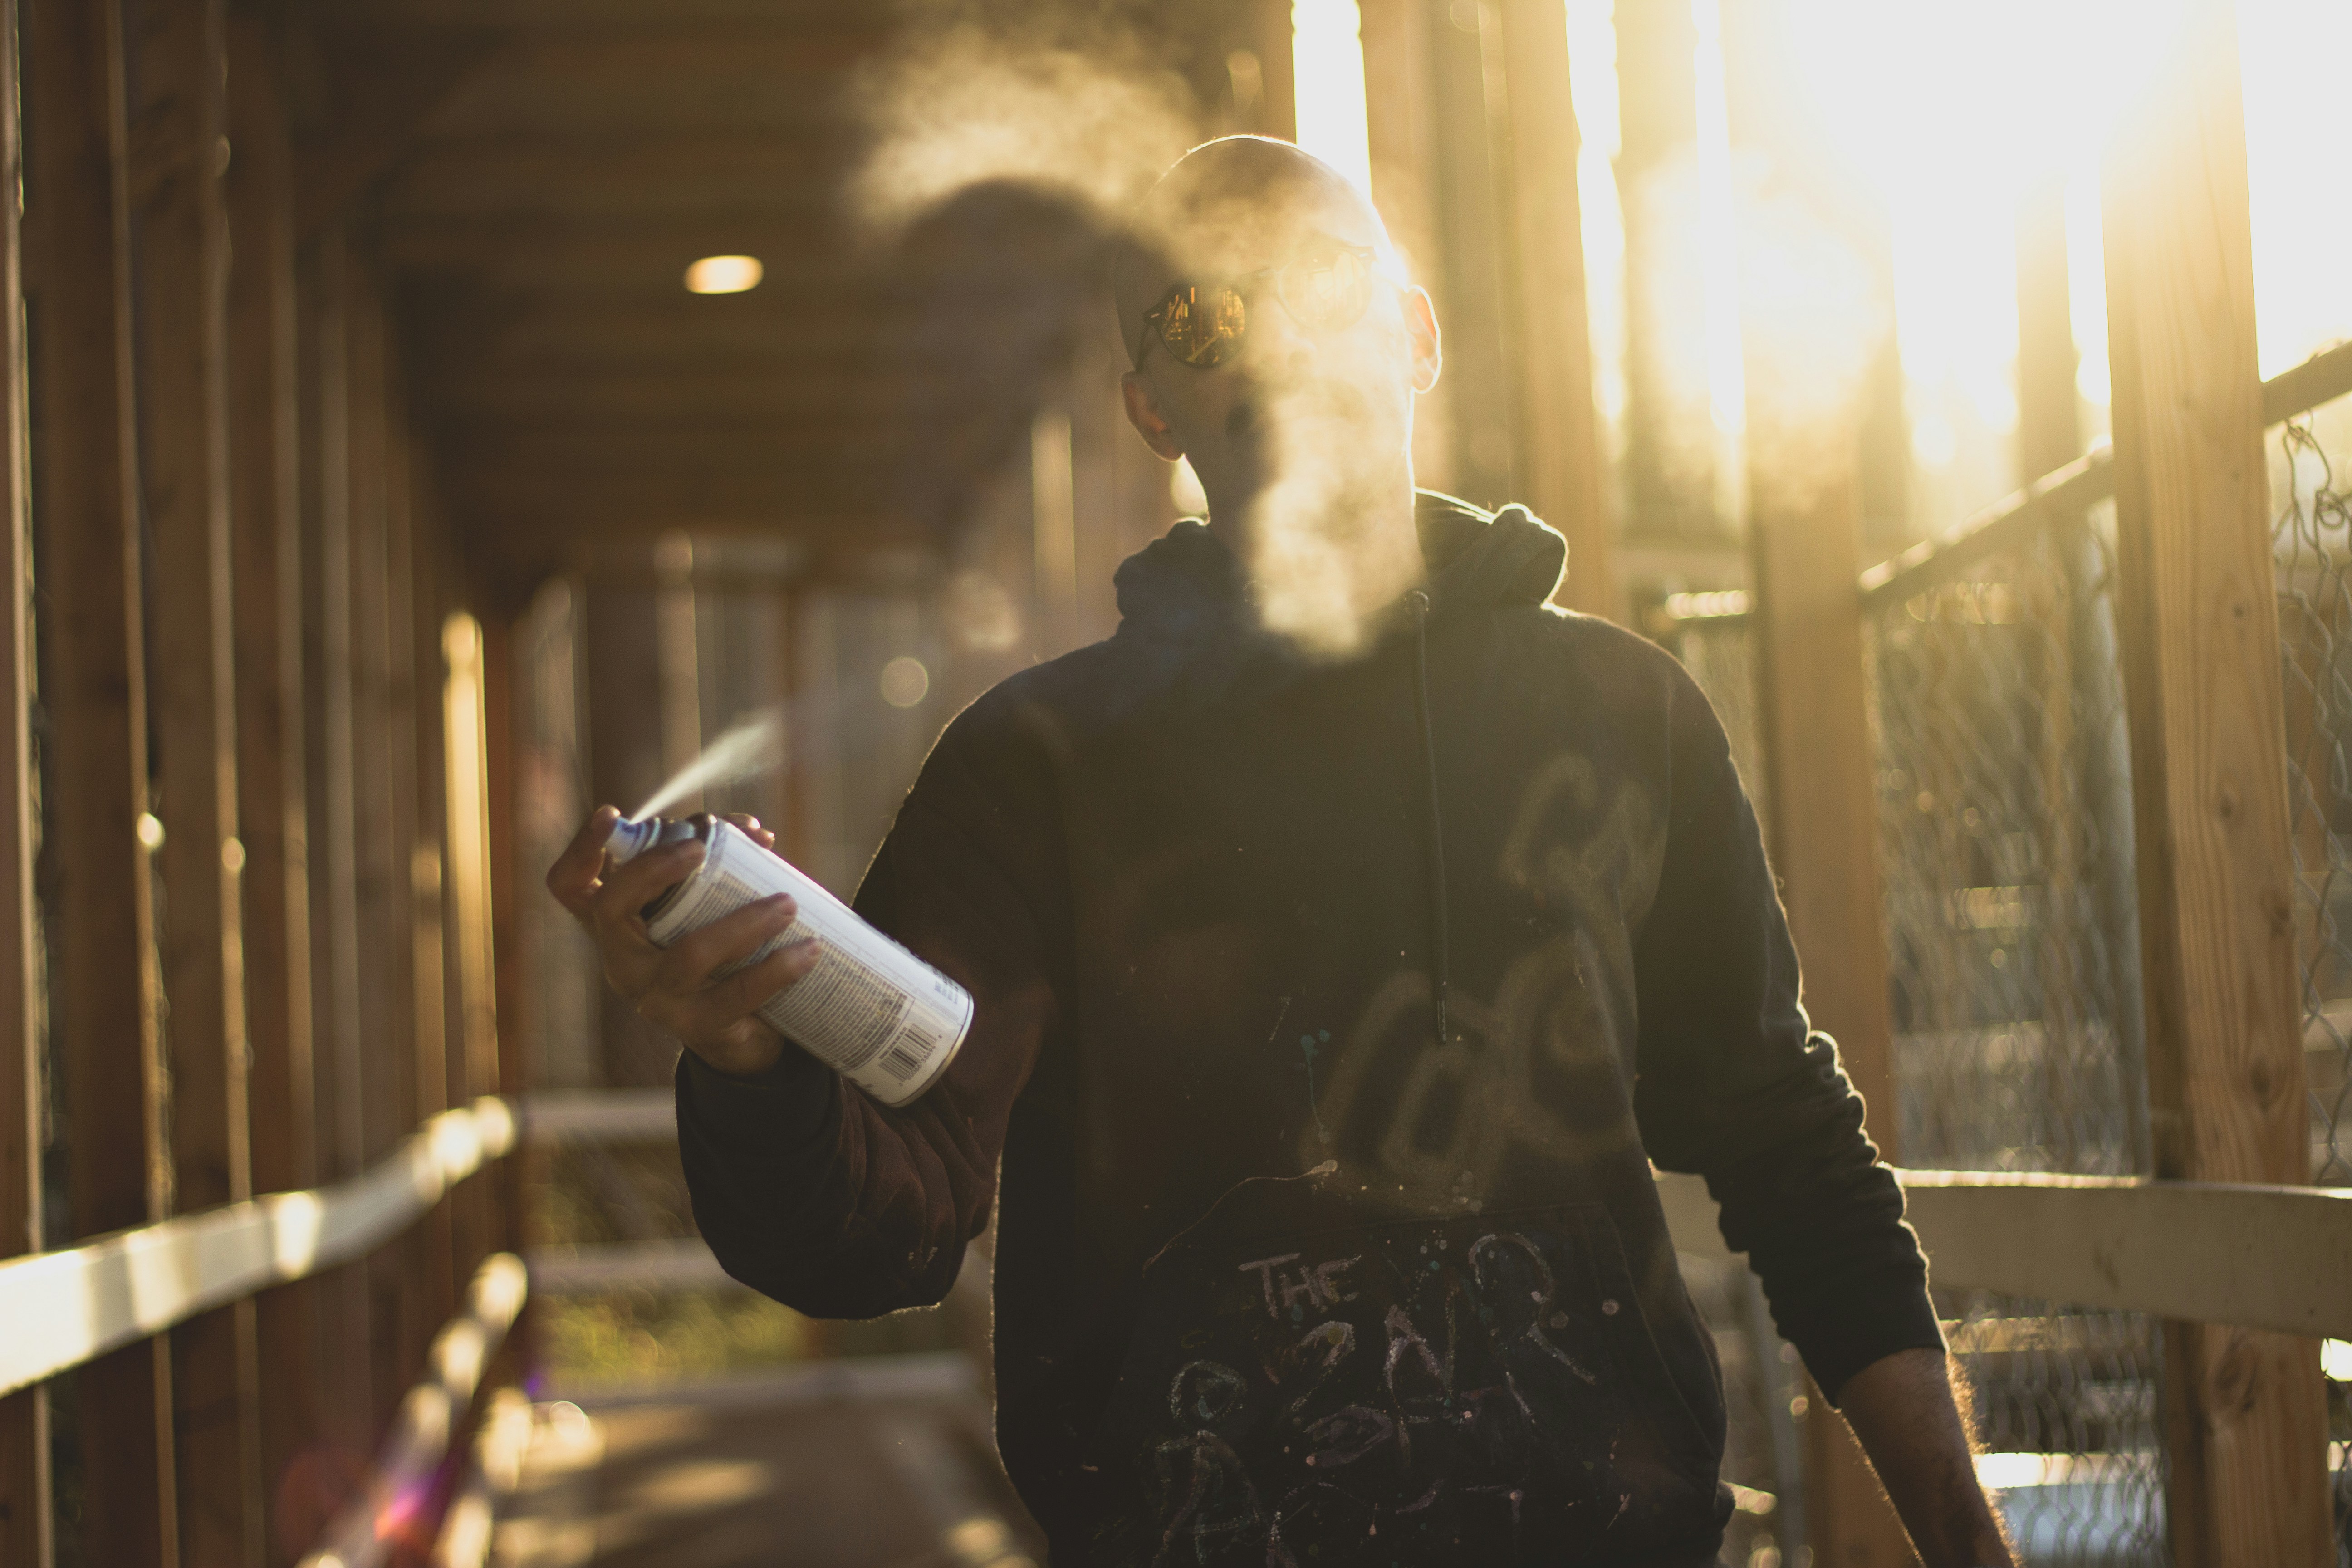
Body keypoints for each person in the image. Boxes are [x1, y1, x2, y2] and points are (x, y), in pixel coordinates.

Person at [548, 137, 2015, 1567]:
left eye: (1323, 276)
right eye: (1202, 316)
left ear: (1416, 333)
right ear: (1152, 407)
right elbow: (887, 1228)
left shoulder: (1621, 714)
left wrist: (1964, 1535)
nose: (1275, 340)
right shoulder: (1036, 771)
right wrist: (749, 1069)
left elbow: (1788, 1143)